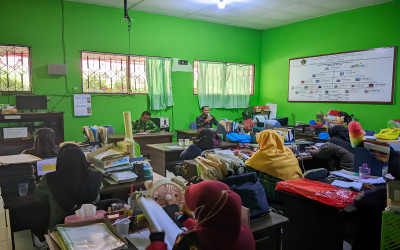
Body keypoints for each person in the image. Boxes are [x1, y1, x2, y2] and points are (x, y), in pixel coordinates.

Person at [146, 180, 255, 250]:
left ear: (201, 211)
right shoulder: (244, 230)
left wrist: (157, 239)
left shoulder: (191, 242)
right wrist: (187, 220)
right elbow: (213, 231)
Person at [34, 144, 103, 236]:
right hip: (90, 228)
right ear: (83, 161)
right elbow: (99, 190)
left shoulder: (49, 179)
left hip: (59, 230)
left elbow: (38, 198)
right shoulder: (96, 177)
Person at [245, 130, 302, 203]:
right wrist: (255, 154)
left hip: (279, 194)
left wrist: (241, 156)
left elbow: (247, 166)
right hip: (296, 191)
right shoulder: (287, 151)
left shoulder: (261, 154)